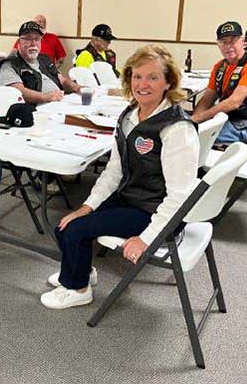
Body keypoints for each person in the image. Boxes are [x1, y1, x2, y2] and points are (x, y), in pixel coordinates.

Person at [40, 44, 198, 309]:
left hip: (153, 211)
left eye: (152, 77)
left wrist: (147, 238)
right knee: (65, 224)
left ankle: (78, 289)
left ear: (168, 82)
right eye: (137, 76)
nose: (142, 84)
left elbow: (180, 196)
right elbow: (113, 170)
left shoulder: (177, 128)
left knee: (76, 231)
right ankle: (82, 272)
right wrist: (86, 206)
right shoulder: (130, 116)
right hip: (130, 197)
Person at [191, 21, 247, 144]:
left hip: (246, 125)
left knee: (192, 140)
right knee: (186, 133)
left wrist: (198, 119)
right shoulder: (219, 66)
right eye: (224, 42)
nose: (228, 46)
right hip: (225, 118)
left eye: (233, 41)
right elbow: (207, 99)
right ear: (218, 45)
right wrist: (193, 122)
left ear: (242, 41)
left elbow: (234, 102)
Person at [0, 21, 81, 105]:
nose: (33, 43)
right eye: (28, 39)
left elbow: (63, 81)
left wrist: (78, 88)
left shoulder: (45, 59)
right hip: (36, 111)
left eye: (37, 39)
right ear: (19, 43)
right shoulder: (8, 66)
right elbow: (18, 92)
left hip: (60, 103)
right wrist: (47, 97)